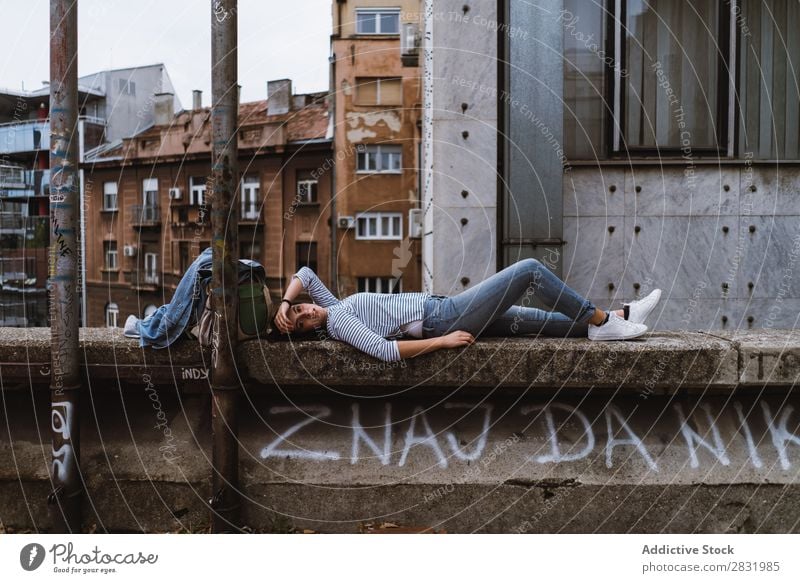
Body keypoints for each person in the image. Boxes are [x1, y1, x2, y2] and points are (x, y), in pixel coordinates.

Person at [274, 258, 662, 362]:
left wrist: (286, 303)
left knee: (538, 323)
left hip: (442, 311)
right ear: (311, 332)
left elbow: (305, 273)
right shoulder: (339, 321)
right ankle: (603, 320)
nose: (307, 312)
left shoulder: (330, 306)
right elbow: (387, 351)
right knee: (528, 271)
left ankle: (619, 318)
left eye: (303, 308)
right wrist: (443, 342)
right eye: (302, 321)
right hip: (443, 319)